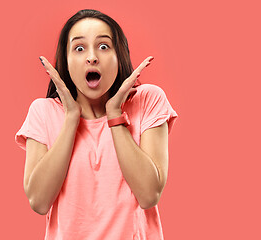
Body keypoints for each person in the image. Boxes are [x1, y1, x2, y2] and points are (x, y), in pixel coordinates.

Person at [15, 9, 178, 240]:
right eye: (79, 48)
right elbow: (39, 201)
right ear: (67, 62)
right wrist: (72, 118)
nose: (92, 57)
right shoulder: (43, 112)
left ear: (119, 56)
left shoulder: (148, 100)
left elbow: (149, 194)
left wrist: (115, 116)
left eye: (103, 46)